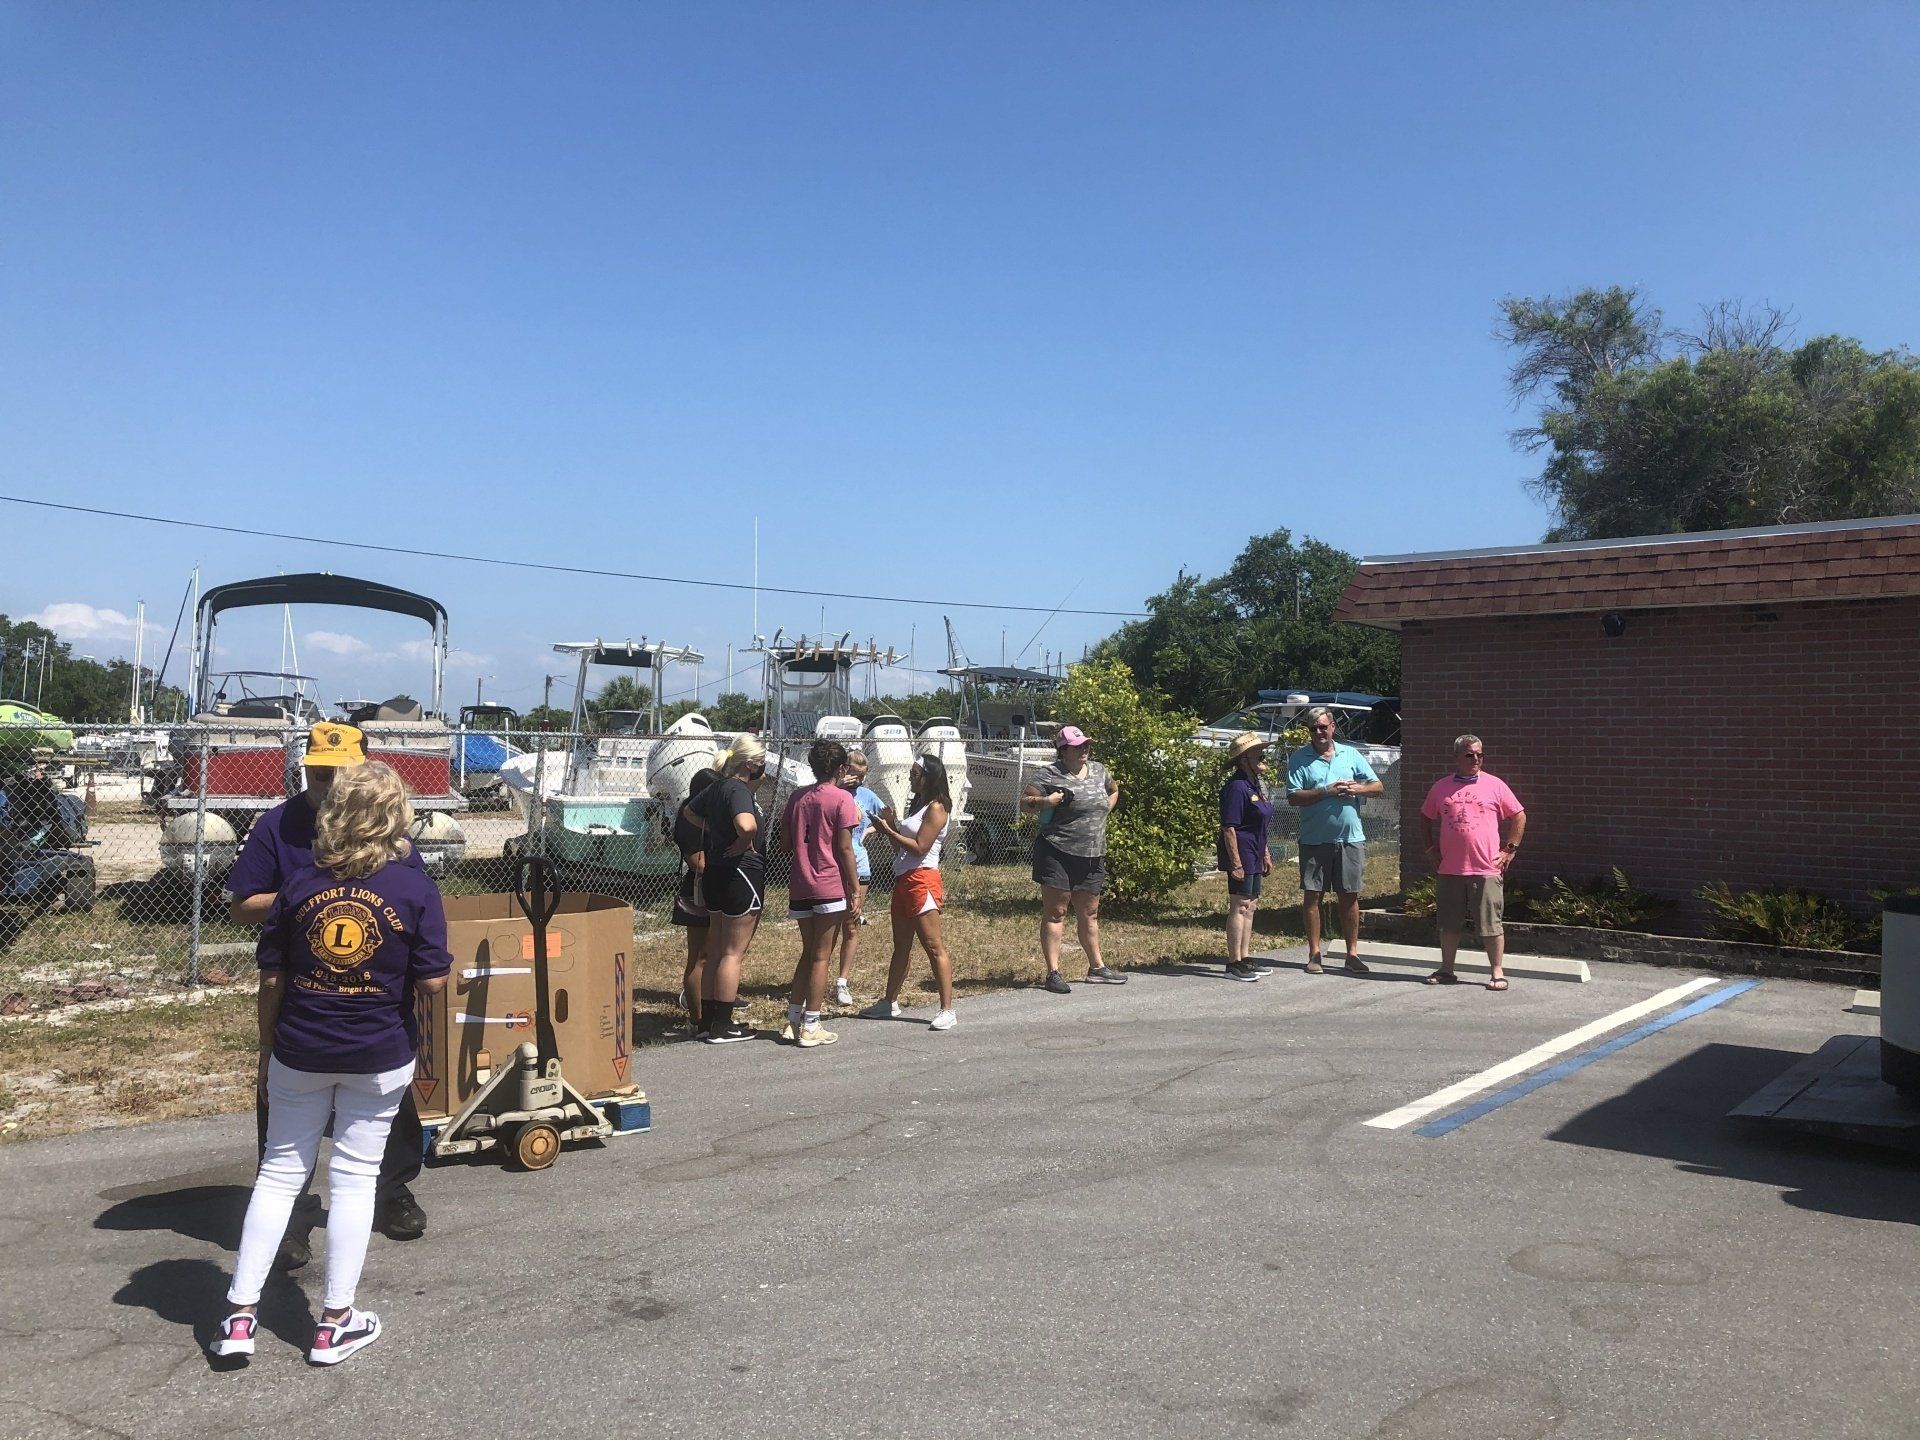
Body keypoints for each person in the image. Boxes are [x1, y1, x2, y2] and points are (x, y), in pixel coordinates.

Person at [208, 761, 451, 1367]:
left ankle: (239, 1315)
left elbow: (272, 978)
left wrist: (265, 1050)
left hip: (300, 1046)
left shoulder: (298, 885)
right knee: (355, 1178)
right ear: (396, 817)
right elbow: (432, 982)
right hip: (377, 1051)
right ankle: (335, 1321)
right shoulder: (414, 887)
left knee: (278, 1174)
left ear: (334, 813)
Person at [226, 722, 430, 1257]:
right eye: (319, 773)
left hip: (376, 997)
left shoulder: (388, 831)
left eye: (339, 774)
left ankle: (393, 1191)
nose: (328, 784)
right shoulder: (278, 825)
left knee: (389, 1101)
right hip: (304, 995)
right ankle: (290, 1216)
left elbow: (417, 901)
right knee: (283, 1108)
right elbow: (241, 904)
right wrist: (308, 897)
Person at [1419, 734, 1527, 991]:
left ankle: (1497, 973)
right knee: (1448, 923)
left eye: (1480, 754)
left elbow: (1519, 816)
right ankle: (1446, 970)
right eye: (1470, 754)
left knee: (1491, 924)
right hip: (1450, 868)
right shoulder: (1441, 787)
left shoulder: (1495, 785)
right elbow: (1425, 817)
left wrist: (1509, 849)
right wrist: (1430, 849)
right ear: (1456, 757)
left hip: (1486, 867)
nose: (1476, 759)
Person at [1021, 725, 1123, 993]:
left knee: (1090, 913)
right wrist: (1047, 801)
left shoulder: (1099, 770)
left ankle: (1097, 968)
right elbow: (1024, 803)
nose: (1084, 749)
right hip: (1057, 852)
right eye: (1078, 746)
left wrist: (1103, 811)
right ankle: (1053, 973)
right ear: (1063, 750)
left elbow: (1113, 790)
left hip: (1093, 853)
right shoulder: (1048, 774)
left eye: (1086, 745)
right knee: (1057, 913)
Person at [862, 754, 958, 1030]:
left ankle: (947, 1009)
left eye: (915, 774)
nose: (910, 778)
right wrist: (890, 826)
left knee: (933, 946)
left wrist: (889, 831)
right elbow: (901, 850)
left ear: (929, 777)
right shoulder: (919, 804)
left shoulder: (937, 807)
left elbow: (920, 848)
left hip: (923, 880)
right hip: (904, 879)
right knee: (901, 946)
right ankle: (889, 1002)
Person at [1285, 706, 1383, 976]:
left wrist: (1356, 788)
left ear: (1333, 727)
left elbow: (1377, 787)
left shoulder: (1350, 754)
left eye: (1323, 727)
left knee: (1349, 896)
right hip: (1315, 839)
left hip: (1350, 839)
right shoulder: (1300, 759)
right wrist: (1326, 791)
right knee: (1312, 896)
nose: (1319, 732)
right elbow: (1293, 797)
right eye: (1313, 728)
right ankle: (1314, 953)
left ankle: (1352, 954)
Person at [776, 739, 860, 1048]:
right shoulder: (842, 798)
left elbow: (785, 843)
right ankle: (811, 1024)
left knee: (808, 952)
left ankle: (793, 1021)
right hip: (828, 883)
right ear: (841, 768)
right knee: (822, 956)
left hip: (800, 883)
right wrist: (855, 889)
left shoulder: (797, 797)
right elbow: (845, 848)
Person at [689, 737, 770, 1042]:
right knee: (733, 953)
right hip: (741, 873)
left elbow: (690, 813)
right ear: (751, 763)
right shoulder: (737, 790)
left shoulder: (717, 787)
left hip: (716, 872)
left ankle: (708, 1021)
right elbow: (747, 825)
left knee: (717, 949)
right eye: (761, 760)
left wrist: (716, 831)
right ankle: (723, 1024)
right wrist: (741, 842)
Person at [1218, 733, 1275, 982]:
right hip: (1241, 854)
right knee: (1239, 905)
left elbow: (1259, 824)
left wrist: (1265, 852)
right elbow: (1229, 828)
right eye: (1258, 755)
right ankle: (1233, 963)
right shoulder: (1237, 787)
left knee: (1250, 906)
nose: (1263, 758)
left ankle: (1245, 956)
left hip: (1255, 853)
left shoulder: (1255, 786)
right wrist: (1236, 863)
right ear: (1244, 761)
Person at [831, 749, 885, 1007]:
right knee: (829, 926)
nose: (858, 779)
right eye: (854, 773)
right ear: (843, 769)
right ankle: (816, 976)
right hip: (833, 865)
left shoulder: (867, 796)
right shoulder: (832, 791)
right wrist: (839, 786)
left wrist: (869, 831)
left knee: (851, 923)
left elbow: (888, 818)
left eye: (862, 775)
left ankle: (842, 981)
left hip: (859, 864)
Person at [670, 768, 720, 1038]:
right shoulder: (689, 820)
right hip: (699, 892)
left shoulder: (708, 817)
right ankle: (697, 1019)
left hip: (716, 890)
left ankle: (711, 1013)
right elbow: (697, 863)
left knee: (714, 955)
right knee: (699, 957)